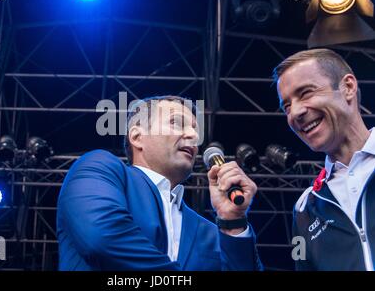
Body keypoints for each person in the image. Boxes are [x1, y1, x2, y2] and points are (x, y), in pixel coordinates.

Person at [57, 95, 262, 270]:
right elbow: (101, 239)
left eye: (194, 130)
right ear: (137, 137)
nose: (193, 136)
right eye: (176, 123)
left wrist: (233, 222)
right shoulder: (101, 167)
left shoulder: (209, 231)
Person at [273, 49, 375, 271]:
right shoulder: (302, 210)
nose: (295, 113)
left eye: (306, 93)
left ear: (347, 87)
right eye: (287, 106)